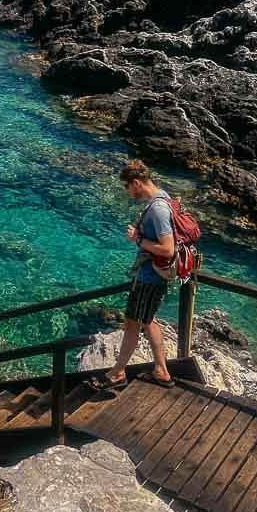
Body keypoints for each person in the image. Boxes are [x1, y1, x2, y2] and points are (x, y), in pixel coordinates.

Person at [90, 160, 175, 390]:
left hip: (149, 278)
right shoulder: (163, 197)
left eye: (127, 187)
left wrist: (137, 239)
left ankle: (118, 373)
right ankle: (161, 371)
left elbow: (168, 249)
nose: (128, 192)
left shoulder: (157, 209)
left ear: (136, 183)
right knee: (148, 321)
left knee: (133, 324)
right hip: (153, 276)